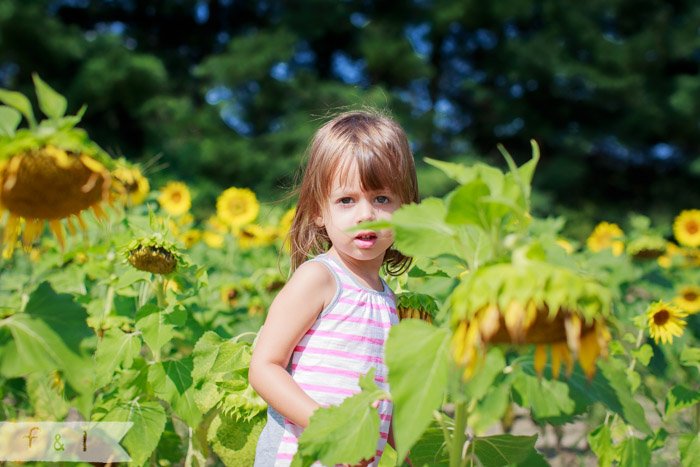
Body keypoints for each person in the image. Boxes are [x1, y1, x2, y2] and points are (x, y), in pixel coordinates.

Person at [250, 109, 418, 467]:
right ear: (317, 211)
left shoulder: (387, 299)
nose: (365, 215)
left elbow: (385, 399)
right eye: (346, 200)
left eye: (382, 199)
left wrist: (418, 450)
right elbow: (264, 367)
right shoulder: (321, 279)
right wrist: (331, 430)